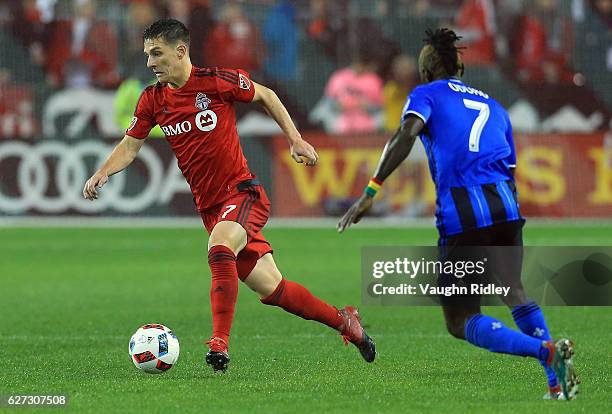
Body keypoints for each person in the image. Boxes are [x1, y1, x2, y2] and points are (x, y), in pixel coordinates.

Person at [82, 18, 375, 373]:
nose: (150, 63)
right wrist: (102, 171)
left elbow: (266, 94)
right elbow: (130, 146)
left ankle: (219, 343)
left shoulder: (216, 82)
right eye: (147, 55)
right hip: (211, 208)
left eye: (156, 54)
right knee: (274, 290)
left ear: (180, 51)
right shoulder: (152, 99)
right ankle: (347, 323)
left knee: (219, 249)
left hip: (242, 193)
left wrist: (295, 139)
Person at [337, 28, 579, 400]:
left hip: (463, 212)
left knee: (460, 319)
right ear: (460, 69)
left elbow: (406, 133)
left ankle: (543, 350)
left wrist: (372, 189)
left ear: (427, 71)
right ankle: (556, 378)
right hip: (506, 205)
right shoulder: (496, 106)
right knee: (514, 290)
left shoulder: (425, 95)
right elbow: (509, 166)